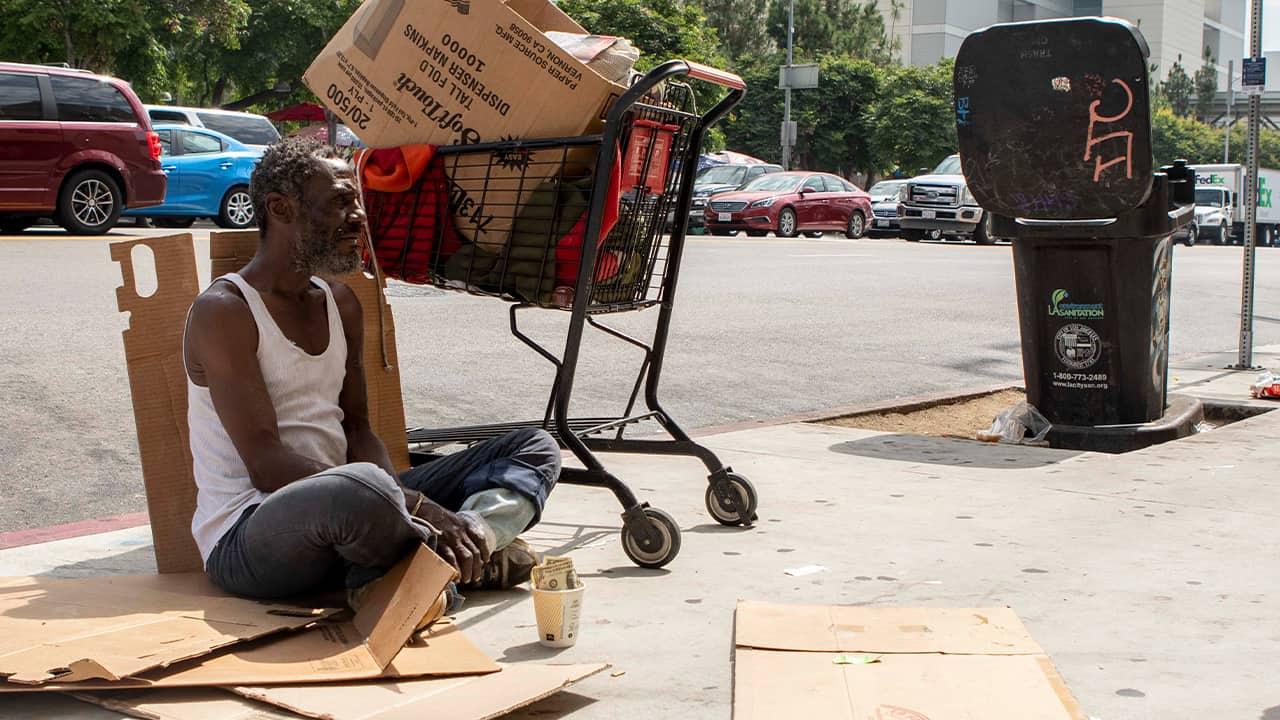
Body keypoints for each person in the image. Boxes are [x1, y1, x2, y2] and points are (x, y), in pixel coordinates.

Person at [183, 136, 561, 603]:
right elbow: (265, 465)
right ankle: (433, 562)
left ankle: (470, 543)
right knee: (362, 490)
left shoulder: (340, 303)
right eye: (341, 203)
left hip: (360, 506)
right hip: (252, 534)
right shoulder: (225, 311)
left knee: (534, 447)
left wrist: (405, 501)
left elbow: (358, 429)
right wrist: (412, 504)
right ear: (280, 208)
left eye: (357, 202)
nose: (359, 217)